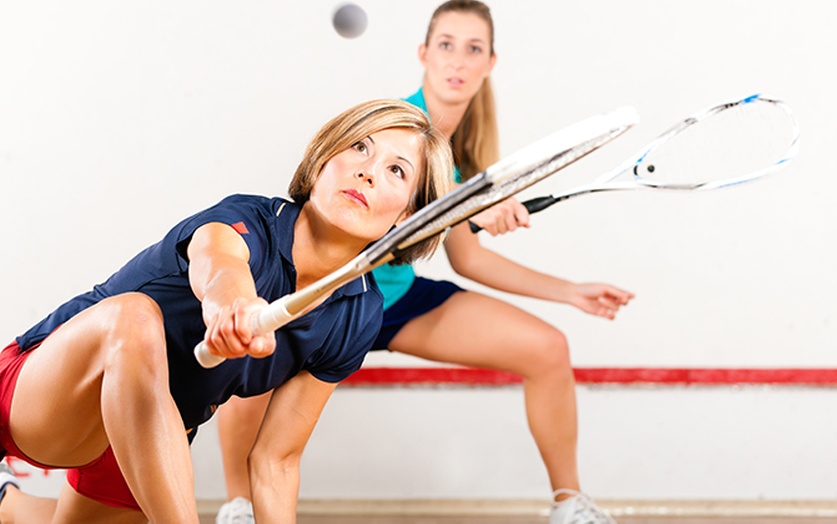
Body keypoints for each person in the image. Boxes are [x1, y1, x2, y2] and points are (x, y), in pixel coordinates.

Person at [215, 2, 634, 524]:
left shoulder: (465, 151)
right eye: (446, 45)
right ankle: (238, 508)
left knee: (548, 348)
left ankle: (570, 506)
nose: (457, 60)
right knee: (248, 356)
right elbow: (393, 184)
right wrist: (470, 199)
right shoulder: (395, 123)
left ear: (490, 63)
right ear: (424, 54)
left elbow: (468, 259)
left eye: (473, 48)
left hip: (390, 298)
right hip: (330, 293)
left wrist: (569, 291)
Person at [0, 98, 454, 523]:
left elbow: (276, 460)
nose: (368, 172)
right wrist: (232, 306)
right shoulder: (249, 220)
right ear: (322, 159)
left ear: (407, 217)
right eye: (359, 147)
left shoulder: (358, 313)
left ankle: (8, 501)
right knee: (134, 319)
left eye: (396, 170)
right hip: (43, 393)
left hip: (146, 440)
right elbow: (220, 266)